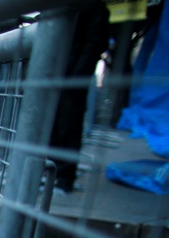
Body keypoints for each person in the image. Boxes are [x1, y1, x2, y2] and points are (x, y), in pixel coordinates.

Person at [49, 0, 110, 195]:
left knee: (69, 125)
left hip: (74, 77)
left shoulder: (94, 7)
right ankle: (51, 171)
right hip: (55, 74)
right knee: (52, 124)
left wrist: (78, 76)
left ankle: (64, 178)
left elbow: (95, 42)